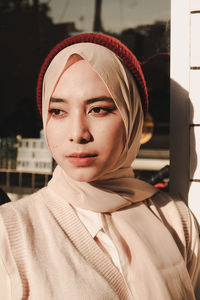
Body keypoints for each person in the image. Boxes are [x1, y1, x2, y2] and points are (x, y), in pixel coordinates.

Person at [0, 33, 199, 300]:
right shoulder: (12, 231)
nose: (78, 133)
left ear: (132, 116)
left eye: (98, 109)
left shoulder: (175, 219)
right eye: (57, 111)